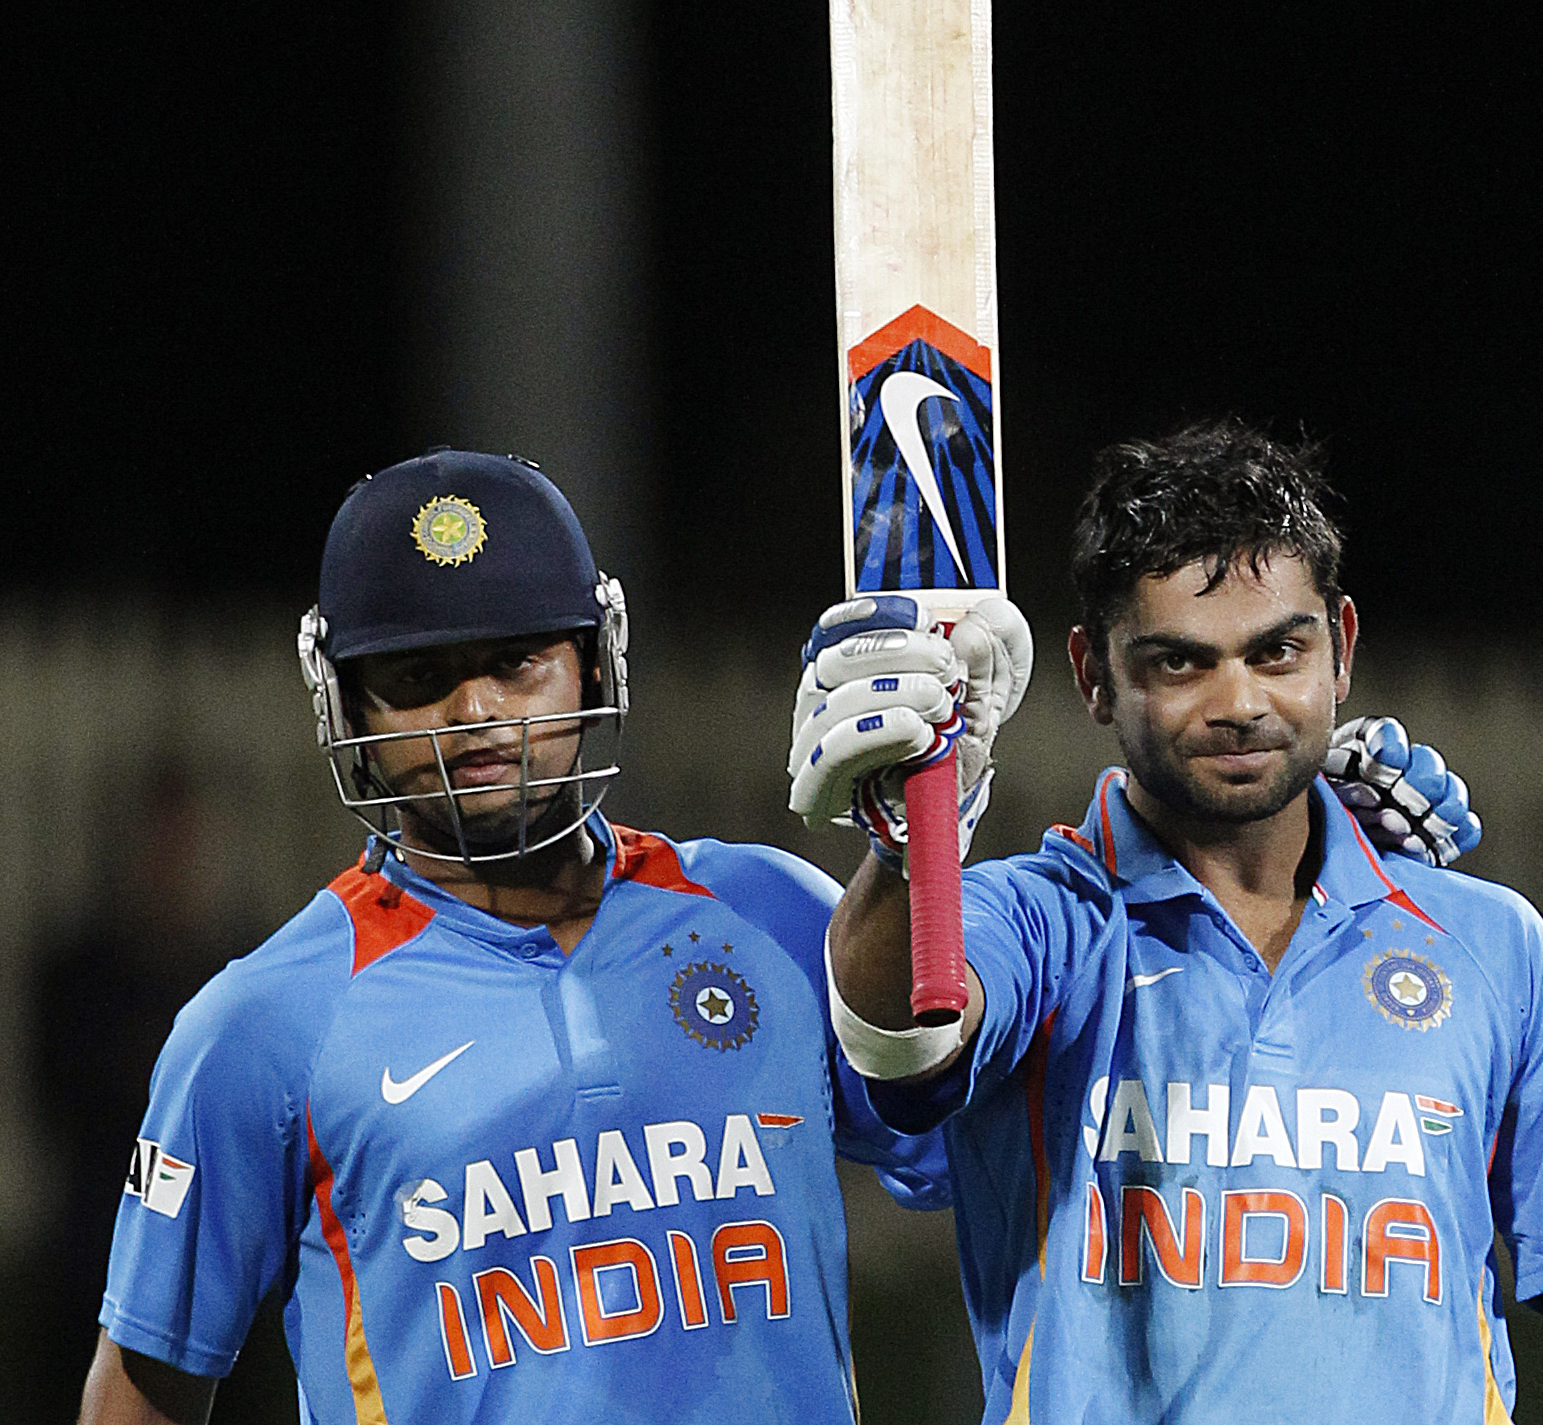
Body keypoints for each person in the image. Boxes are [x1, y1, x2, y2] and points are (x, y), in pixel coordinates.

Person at [802, 417, 1543, 1425]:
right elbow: (904, 1039)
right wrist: (913, 847)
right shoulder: (1043, 924)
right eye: (1181, 664)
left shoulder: (1490, 948)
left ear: (1339, 649)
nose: (1240, 702)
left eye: (1277, 652)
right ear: (1094, 675)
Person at [77, 449, 956, 1425]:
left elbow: (960, 1147)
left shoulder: (770, 913)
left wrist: (921, 853)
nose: (477, 710)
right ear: (344, 697)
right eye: (419, 674)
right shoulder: (267, 1022)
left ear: (594, 656)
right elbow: (144, 1388)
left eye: (515, 660)